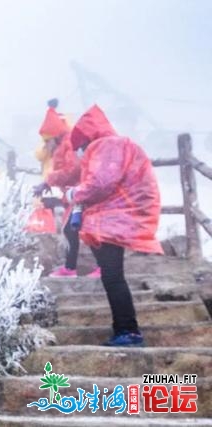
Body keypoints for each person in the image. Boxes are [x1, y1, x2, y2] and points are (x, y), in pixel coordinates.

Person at [66, 105, 163, 347]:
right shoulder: (116, 145)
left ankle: (128, 331)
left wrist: (74, 194)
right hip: (118, 218)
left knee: (113, 276)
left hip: (113, 220)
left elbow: (100, 183)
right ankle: (124, 329)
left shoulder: (106, 146)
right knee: (112, 276)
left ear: (87, 139)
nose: (80, 153)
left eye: (80, 147)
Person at [33, 100, 100, 278]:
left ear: (54, 136)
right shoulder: (62, 145)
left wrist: (48, 181)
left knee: (78, 229)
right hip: (75, 193)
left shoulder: (68, 145)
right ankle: (73, 268)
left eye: (47, 140)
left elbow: (73, 170)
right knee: (75, 229)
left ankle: (92, 268)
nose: (46, 144)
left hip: (81, 193)